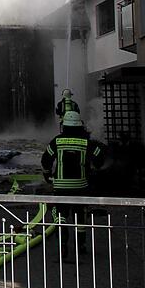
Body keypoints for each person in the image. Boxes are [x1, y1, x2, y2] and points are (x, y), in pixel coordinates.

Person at [41, 110, 105, 260]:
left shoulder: (57, 141)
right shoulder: (86, 142)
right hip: (80, 186)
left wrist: (48, 176)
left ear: (64, 126)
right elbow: (99, 159)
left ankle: (63, 244)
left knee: (59, 215)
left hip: (61, 187)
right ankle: (81, 245)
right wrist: (93, 170)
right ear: (79, 126)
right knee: (80, 215)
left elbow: (45, 161)